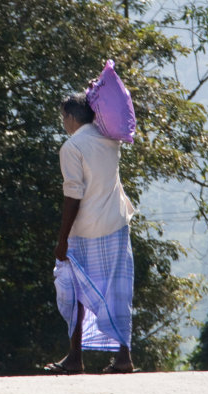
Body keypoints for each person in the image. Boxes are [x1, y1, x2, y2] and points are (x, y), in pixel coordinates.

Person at [44, 93, 135, 374]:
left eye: (63, 118)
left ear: (71, 118)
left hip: (85, 231)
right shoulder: (111, 138)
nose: (63, 123)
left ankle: (75, 357)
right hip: (116, 225)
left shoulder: (72, 147)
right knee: (118, 291)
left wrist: (62, 239)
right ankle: (123, 358)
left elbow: (73, 196)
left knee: (75, 290)